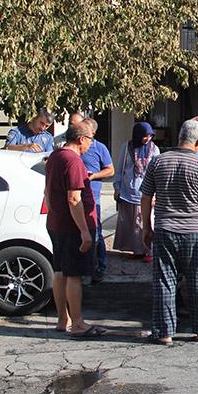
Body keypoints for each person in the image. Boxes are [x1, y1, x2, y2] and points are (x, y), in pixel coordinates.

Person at [140, 120, 198, 345]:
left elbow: (145, 198)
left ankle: (165, 333)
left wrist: (146, 227)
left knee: (164, 282)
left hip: (165, 230)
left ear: (179, 137)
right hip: (196, 232)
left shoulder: (157, 162)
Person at [44, 122, 106, 337]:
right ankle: (78, 322)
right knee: (74, 274)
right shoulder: (73, 161)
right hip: (72, 227)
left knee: (60, 271)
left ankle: (63, 319)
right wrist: (84, 231)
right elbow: (74, 198)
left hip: (56, 223)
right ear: (81, 139)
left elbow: (47, 191)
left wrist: (54, 213)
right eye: (90, 140)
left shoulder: (55, 156)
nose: (91, 144)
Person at [113, 122, 159, 262]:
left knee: (144, 222)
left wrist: (156, 193)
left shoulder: (154, 149)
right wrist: (117, 187)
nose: (147, 139)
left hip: (146, 192)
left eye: (149, 135)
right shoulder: (127, 147)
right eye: (144, 136)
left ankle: (147, 251)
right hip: (128, 191)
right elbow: (121, 167)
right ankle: (135, 250)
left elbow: (157, 172)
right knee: (129, 222)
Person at [79, 118, 114, 282]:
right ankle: (81, 267)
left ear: (92, 132)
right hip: (75, 197)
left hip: (93, 197)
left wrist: (94, 175)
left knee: (96, 232)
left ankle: (100, 265)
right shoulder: (74, 147)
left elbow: (110, 170)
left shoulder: (100, 148)